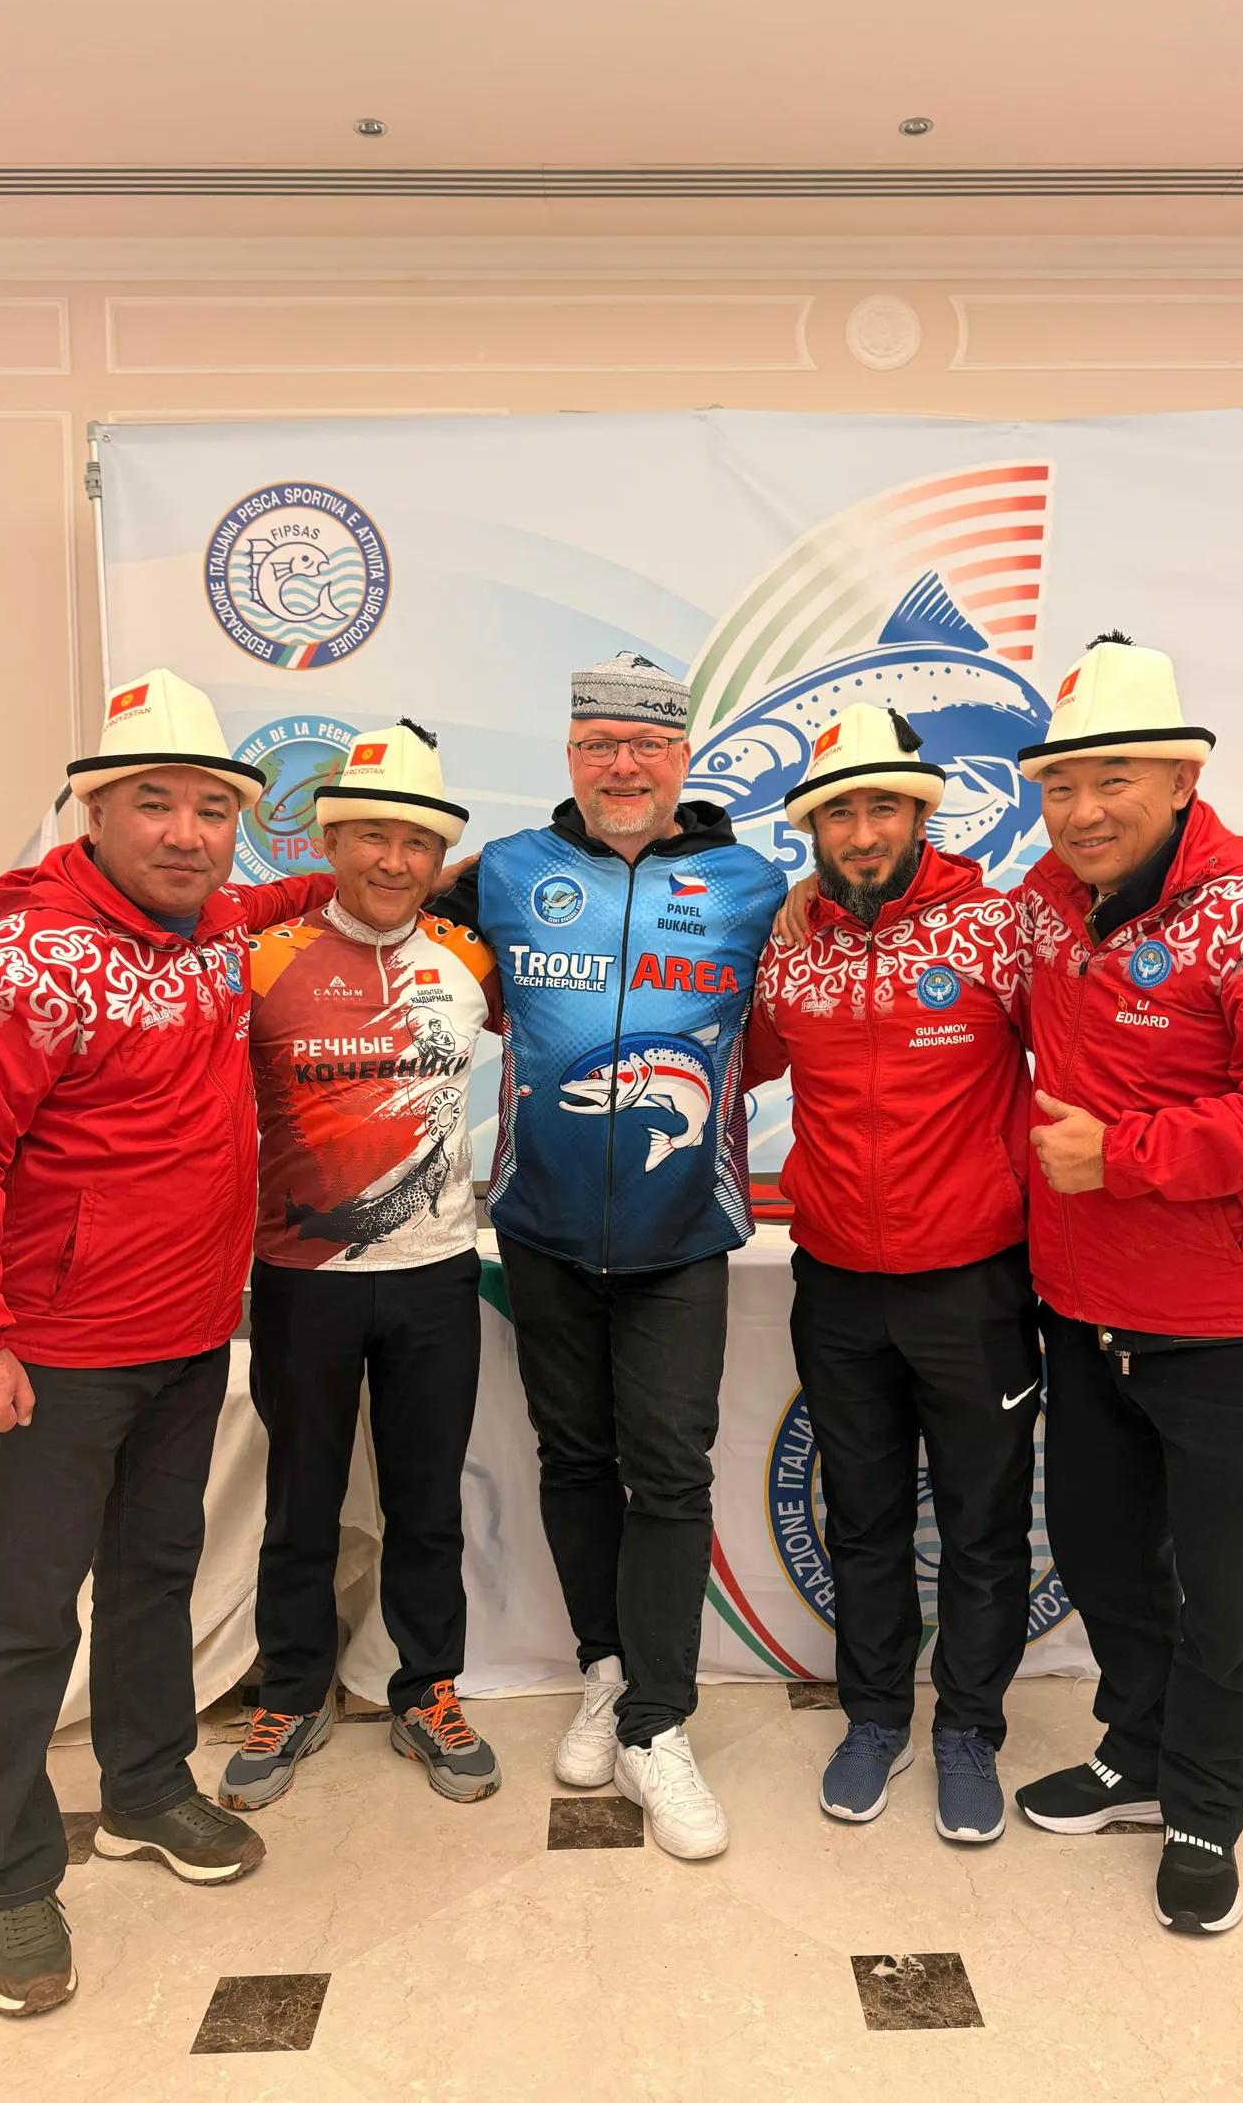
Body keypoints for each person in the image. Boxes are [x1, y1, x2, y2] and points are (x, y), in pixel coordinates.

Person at [0, 670, 333, 2018]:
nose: (188, 833)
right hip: (59, 1355)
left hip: (189, 1335)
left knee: (154, 1576)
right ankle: (12, 1876)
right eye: (156, 803)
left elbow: (274, 896)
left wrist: (382, 868)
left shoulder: (209, 926)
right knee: (22, 1620)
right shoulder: (26, 960)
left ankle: (143, 1790)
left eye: (212, 809)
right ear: (93, 810)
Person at [1008, 632, 1243, 1936]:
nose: (1083, 810)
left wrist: (1126, 1156)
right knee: (1102, 1557)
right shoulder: (1043, 902)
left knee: (1229, 1593)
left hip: (1227, 1323)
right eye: (1061, 786)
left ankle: (1207, 1807)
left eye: (1114, 780)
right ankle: (1139, 1752)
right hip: (1084, 1309)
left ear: (1179, 779)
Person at [431, 652, 784, 1859]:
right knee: (574, 1460)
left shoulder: (754, 886)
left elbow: (790, 1023)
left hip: (683, 1235)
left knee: (669, 1475)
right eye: (598, 746)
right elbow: (381, 914)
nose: (621, 766)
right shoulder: (506, 872)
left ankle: (657, 1723)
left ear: (681, 758)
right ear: (571, 757)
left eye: (644, 746)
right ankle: (606, 1667)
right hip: (540, 1227)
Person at [743, 703, 1039, 1841]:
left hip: (972, 1281)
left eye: (884, 809)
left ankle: (968, 1728)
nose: (862, 834)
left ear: (921, 813)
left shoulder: (996, 927)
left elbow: (1083, 1054)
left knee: (981, 1523)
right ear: (811, 830)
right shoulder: (792, 942)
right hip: (837, 1281)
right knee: (862, 1516)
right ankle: (874, 1716)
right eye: (839, 815)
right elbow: (741, 1054)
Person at [217, 719, 501, 1813]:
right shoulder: (264, 957)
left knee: (428, 1503)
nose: (392, 859)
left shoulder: (469, 960)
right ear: (328, 842)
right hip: (301, 1276)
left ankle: (427, 1689)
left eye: (416, 842)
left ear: (440, 860)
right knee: (301, 1501)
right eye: (371, 836)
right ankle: (292, 1693)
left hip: (436, 1273)